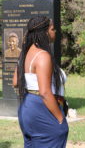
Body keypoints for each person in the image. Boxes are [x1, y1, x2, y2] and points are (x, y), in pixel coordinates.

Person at [12, 16, 68, 148]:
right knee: (55, 137)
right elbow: (44, 92)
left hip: (28, 107)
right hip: (42, 108)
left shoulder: (25, 53)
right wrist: (60, 118)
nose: (55, 32)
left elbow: (15, 82)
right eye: (53, 29)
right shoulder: (42, 55)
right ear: (45, 32)